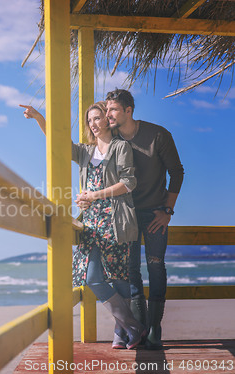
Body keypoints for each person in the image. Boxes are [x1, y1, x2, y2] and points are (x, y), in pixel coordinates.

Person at [20, 102, 144, 349]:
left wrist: (94, 195)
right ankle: (134, 325)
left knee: (119, 277)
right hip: (91, 222)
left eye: (97, 118)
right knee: (91, 276)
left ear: (107, 120)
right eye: (90, 121)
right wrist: (38, 118)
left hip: (116, 220)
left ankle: (121, 331)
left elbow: (129, 183)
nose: (93, 124)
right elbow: (58, 142)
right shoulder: (85, 152)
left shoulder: (121, 148)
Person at [80, 89, 184, 350]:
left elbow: (177, 173)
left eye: (112, 110)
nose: (108, 115)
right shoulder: (111, 138)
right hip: (124, 214)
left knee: (156, 265)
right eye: (106, 111)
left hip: (155, 213)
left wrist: (167, 211)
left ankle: (154, 330)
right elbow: (91, 156)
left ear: (128, 110)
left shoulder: (157, 135)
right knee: (130, 271)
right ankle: (137, 326)